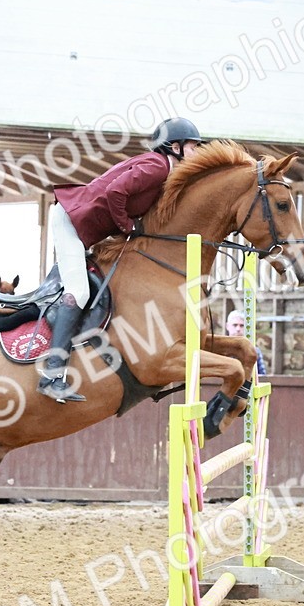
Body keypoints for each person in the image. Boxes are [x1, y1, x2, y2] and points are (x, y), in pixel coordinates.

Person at [39, 117, 203, 403]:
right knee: (77, 292)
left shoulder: (163, 170)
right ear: (174, 147)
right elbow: (116, 191)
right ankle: (52, 375)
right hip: (69, 221)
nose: (197, 152)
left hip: (81, 225)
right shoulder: (157, 167)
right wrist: (127, 225)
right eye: (193, 146)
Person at [226, 310, 267, 376]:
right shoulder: (219, 350)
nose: (238, 329)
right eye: (235, 325)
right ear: (227, 326)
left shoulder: (254, 351)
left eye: (242, 325)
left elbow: (262, 376)